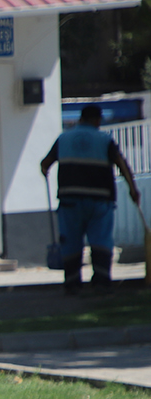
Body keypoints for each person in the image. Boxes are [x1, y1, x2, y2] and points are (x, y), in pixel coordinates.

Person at [41, 104, 142, 295]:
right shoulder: (105, 140)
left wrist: (46, 171)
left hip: (70, 201)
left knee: (71, 242)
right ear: (97, 120)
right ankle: (101, 283)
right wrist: (133, 190)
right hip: (99, 201)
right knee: (101, 241)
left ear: (80, 118)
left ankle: (72, 285)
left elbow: (45, 164)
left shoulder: (63, 138)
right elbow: (122, 165)